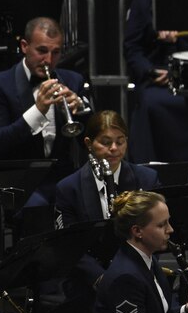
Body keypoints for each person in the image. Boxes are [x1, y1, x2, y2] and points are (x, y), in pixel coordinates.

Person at [0, 17, 90, 204]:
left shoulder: (73, 81)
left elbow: (93, 142)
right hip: (18, 180)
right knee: (37, 205)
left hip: (62, 179)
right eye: (42, 51)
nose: (49, 60)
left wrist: (81, 110)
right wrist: (37, 111)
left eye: (56, 52)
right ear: (24, 46)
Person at [55, 111, 161, 299]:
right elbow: (69, 245)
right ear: (88, 143)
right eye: (105, 142)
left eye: (120, 142)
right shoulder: (68, 188)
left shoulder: (147, 180)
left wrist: (133, 272)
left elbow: (155, 233)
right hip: (89, 282)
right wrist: (101, 279)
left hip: (138, 274)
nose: (114, 148)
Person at [122, 0, 188, 163]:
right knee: (150, 103)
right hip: (155, 77)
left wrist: (178, 68)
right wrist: (149, 71)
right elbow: (132, 48)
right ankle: (148, 168)